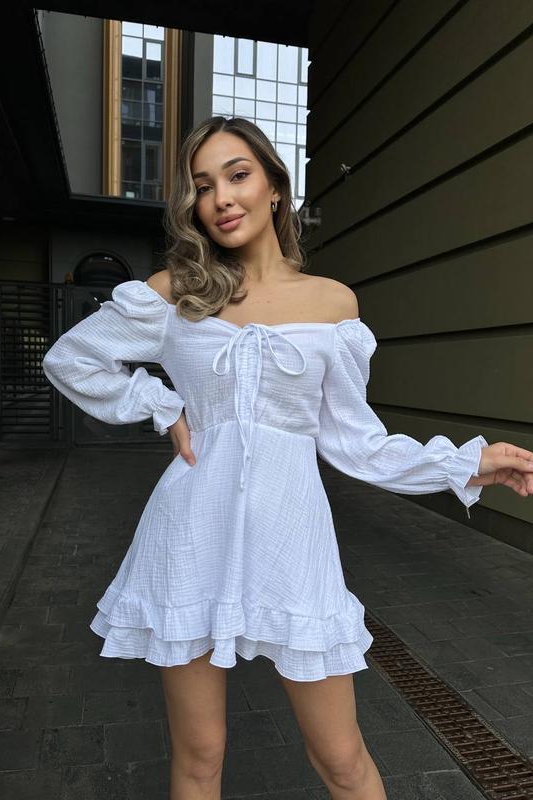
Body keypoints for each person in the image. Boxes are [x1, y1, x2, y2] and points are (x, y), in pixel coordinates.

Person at [42, 116, 533, 799]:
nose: (221, 198)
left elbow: (356, 442)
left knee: (341, 757)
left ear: (275, 186)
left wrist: (464, 465)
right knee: (200, 755)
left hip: (293, 541)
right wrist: (163, 407)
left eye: (238, 175)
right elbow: (72, 359)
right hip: (189, 533)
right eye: (202, 186)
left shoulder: (332, 303)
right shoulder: (174, 292)